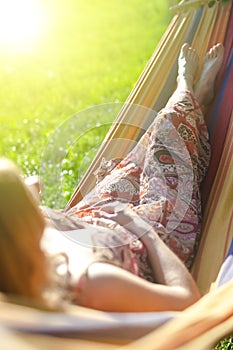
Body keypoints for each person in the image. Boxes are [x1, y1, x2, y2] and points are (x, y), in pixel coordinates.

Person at [0, 43, 224, 312]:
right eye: (24, 190)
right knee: (167, 141)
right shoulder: (94, 281)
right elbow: (186, 305)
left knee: (143, 153)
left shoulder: (19, 249)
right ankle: (185, 90)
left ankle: (191, 100)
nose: (36, 182)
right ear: (20, 226)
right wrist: (146, 233)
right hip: (151, 231)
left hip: (100, 215)